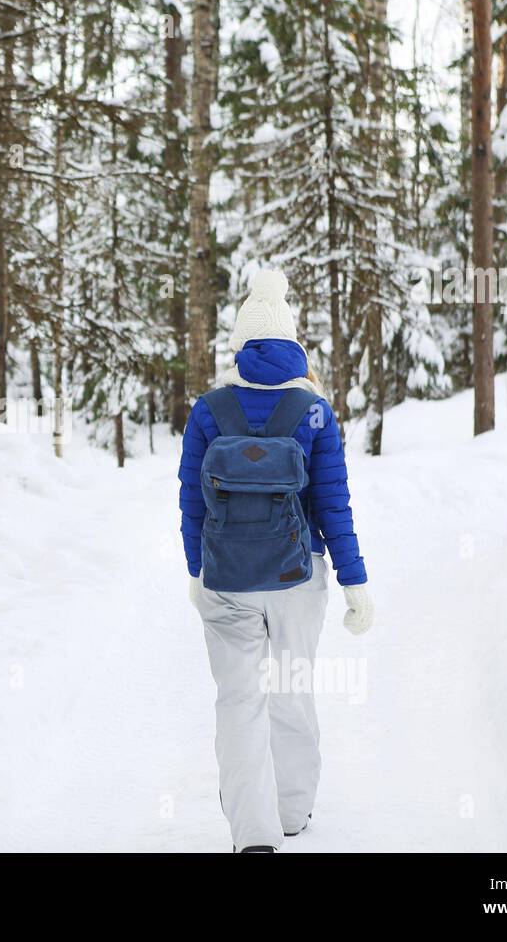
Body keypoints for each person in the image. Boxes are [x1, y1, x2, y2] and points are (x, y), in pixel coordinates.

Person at [178, 268, 374, 853]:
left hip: (226, 579)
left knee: (239, 700)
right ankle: (291, 812)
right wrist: (354, 582)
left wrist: (196, 570)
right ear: (294, 345)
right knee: (289, 689)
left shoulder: (208, 410)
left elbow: (191, 500)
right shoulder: (314, 413)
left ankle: (254, 834)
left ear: (241, 347)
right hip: (297, 576)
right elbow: (332, 504)